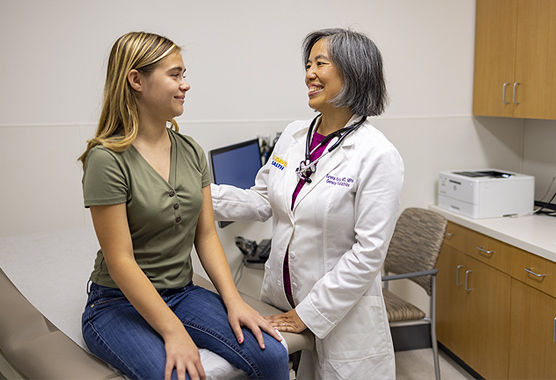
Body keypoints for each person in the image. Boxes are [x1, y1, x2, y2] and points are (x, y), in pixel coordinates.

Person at [78, 31, 289, 380]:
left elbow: (205, 236)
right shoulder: (107, 160)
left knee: (272, 355)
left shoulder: (190, 151)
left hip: (183, 293)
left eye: (183, 75)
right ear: (136, 80)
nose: (185, 84)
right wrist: (173, 332)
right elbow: (120, 262)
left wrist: (235, 301)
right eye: (175, 75)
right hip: (118, 303)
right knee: (180, 376)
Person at [211, 28, 404, 379]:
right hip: (279, 301)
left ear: (354, 73)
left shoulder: (377, 155)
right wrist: (196, 195)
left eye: (320, 64)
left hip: (339, 316)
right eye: (308, 64)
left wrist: (307, 314)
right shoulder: (294, 135)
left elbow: (368, 253)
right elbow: (261, 200)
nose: (309, 74)